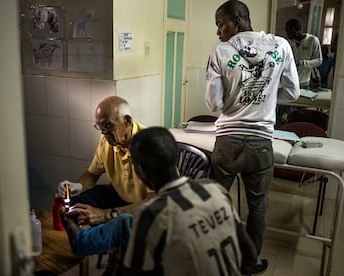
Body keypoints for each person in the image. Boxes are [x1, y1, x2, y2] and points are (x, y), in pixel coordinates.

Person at [205, 1, 300, 275]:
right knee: (257, 210)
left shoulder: (221, 52)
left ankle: (217, 260)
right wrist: (266, 99)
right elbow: (293, 93)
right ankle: (249, 263)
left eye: (221, 24)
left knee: (219, 206)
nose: (218, 31)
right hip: (260, 144)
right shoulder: (281, 46)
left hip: (228, 143)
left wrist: (237, 99)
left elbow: (214, 104)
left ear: (237, 20)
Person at [123, 126, 258, 276]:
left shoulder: (152, 215)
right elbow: (250, 255)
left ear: (140, 170)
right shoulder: (216, 190)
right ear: (175, 157)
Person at [57, 96, 155, 275]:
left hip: (149, 205)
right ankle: (94, 247)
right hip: (121, 193)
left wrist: (105, 214)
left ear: (127, 121)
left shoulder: (148, 146)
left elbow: (154, 200)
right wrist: (77, 185)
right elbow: (92, 174)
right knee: (76, 203)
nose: (103, 132)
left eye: (108, 125)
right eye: (99, 126)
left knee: (118, 220)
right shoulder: (108, 141)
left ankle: (116, 256)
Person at [285, 18, 322, 89]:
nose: (286, 34)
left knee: (303, 100)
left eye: (287, 31)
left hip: (304, 82)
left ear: (293, 30)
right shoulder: (290, 43)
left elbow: (319, 61)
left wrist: (302, 63)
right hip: (291, 81)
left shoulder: (312, 40)